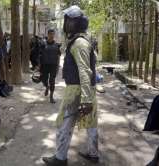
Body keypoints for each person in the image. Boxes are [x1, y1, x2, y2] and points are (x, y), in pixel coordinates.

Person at [42, 6, 98, 166]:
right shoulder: (81, 41)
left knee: (64, 124)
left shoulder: (79, 43)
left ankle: (60, 158)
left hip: (76, 90)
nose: (65, 24)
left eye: (68, 21)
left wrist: (85, 99)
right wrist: (88, 97)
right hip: (88, 89)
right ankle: (93, 153)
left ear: (75, 23)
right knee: (91, 124)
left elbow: (85, 71)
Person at [39, 29, 61, 103]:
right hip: (44, 65)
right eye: (50, 34)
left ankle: (51, 96)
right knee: (44, 79)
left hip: (53, 66)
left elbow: (58, 56)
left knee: (52, 81)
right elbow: (40, 55)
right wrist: (39, 66)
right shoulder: (43, 44)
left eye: (53, 34)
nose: (52, 36)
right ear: (48, 35)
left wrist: (58, 66)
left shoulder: (57, 45)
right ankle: (47, 86)